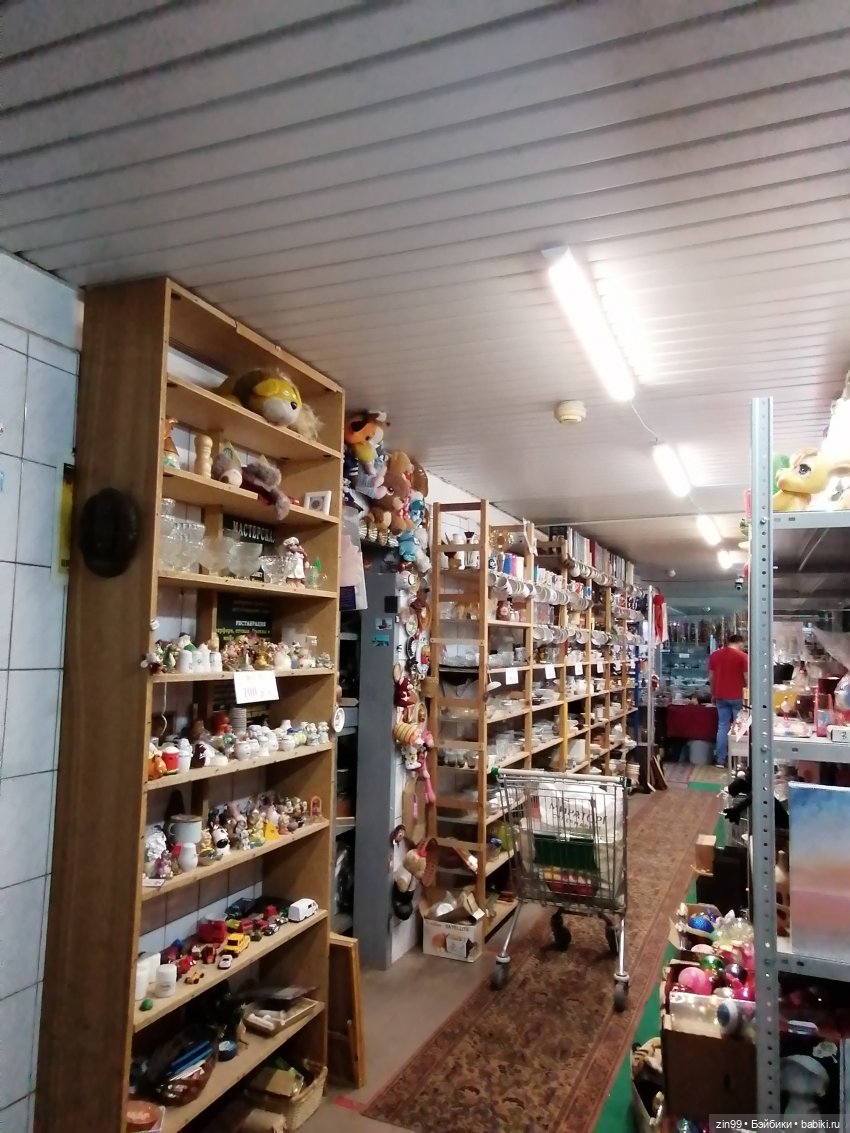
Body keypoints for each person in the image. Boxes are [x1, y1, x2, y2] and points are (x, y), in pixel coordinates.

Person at [708, 634, 748, 767]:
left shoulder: (715, 655)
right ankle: (738, 762)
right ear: (740, 643)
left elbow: (711, 677)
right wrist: (749, 696)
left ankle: (720, 760)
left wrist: (713, 693)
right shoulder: (743, 657)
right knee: (739, 728)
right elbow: (747, 678)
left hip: (720, 696)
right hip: (738, 697)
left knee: (722, 726)